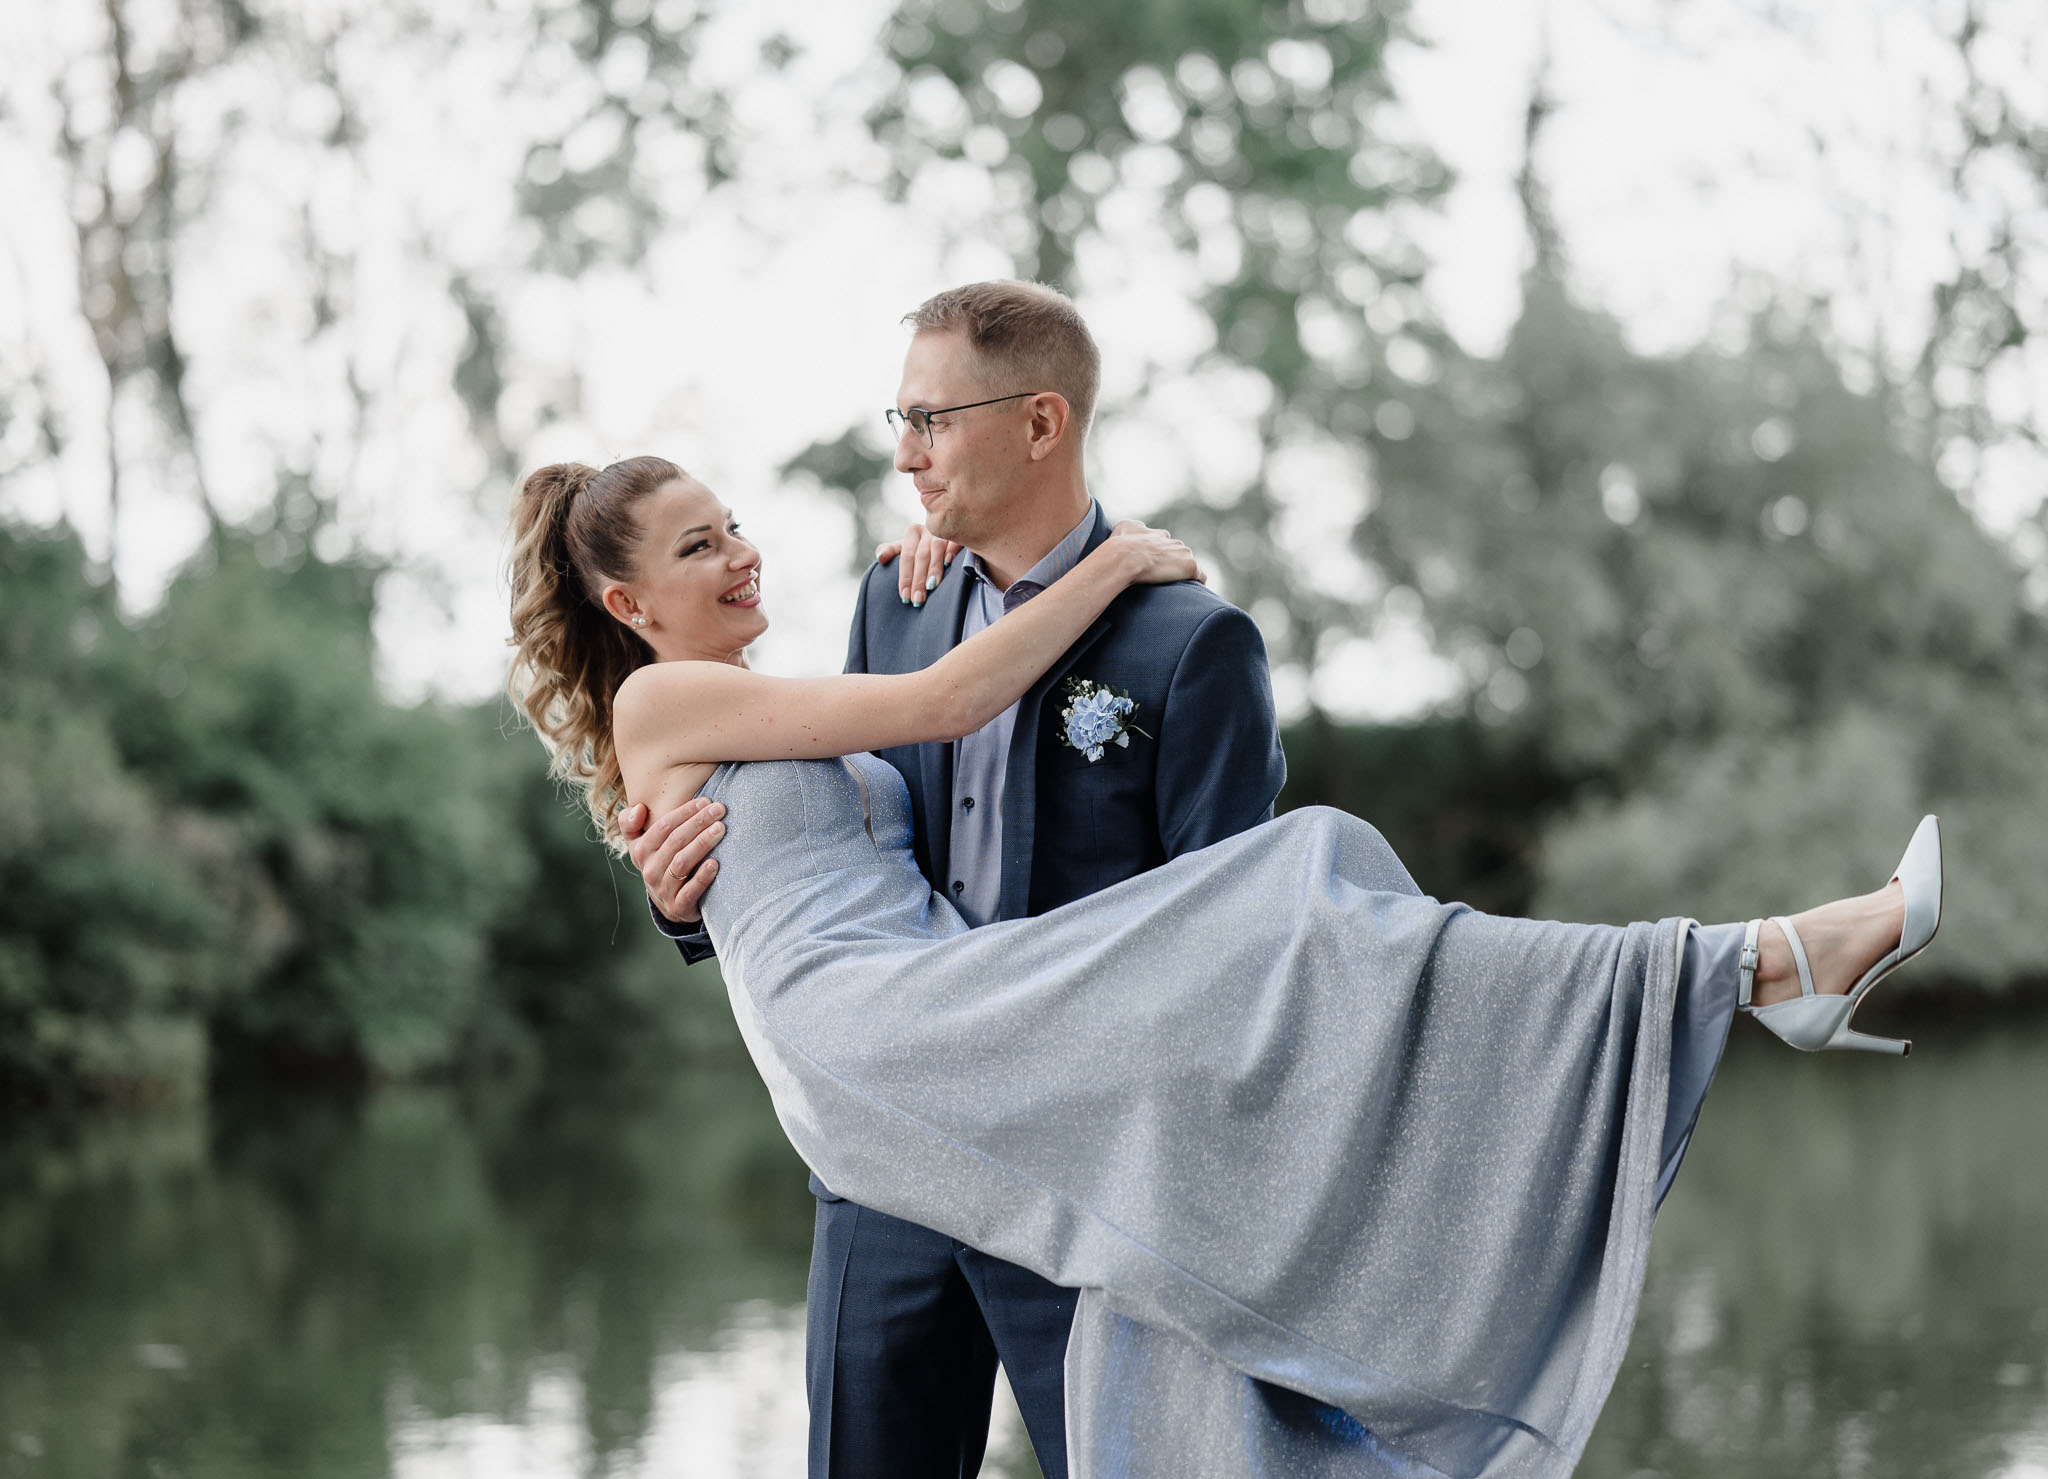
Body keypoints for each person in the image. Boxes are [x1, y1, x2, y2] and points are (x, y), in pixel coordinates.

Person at [505, 448, 1942, 1478]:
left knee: (1285, 934)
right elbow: (945, 705)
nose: (740, 550)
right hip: (877, 1036)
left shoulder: (768, 679)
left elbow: (850, 809)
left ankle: (1734, 970)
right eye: (698, 546)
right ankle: (1751, 964)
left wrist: (944, 584)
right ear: (630, 605)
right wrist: (1118, 557)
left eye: (733, 522)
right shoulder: (677, 696)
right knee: (1277, 909)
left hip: (940, 1017)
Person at [621, 281, 1288, 1479]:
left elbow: (1229, 938)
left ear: (1040, 424)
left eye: (931, 421)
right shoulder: (900, 598)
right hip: (882, 1178)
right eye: (900, 420)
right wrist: (685, 902)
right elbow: (826, 837)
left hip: (1083, 1186)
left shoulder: (1187, 641)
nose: (906, 456)